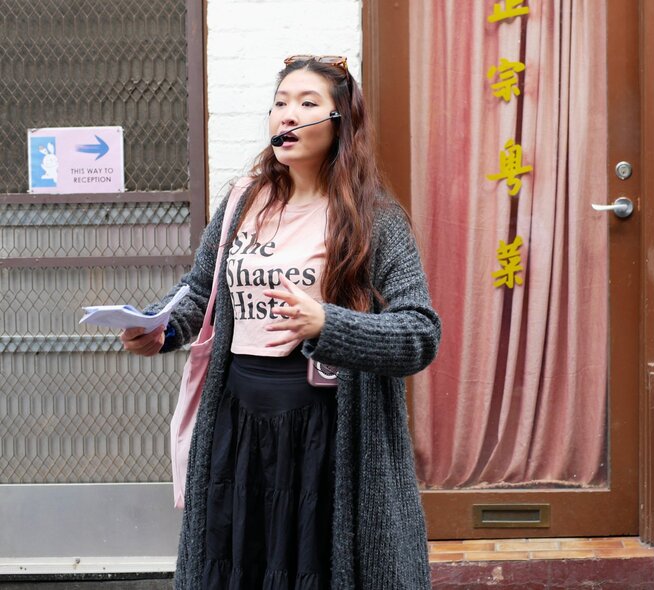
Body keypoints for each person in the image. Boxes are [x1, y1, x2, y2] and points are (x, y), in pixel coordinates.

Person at [119, 55, 441, 590]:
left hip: (326, 436)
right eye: (280, 103)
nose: (287, 115)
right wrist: (160, 328)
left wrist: (328, 324)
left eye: (307, 104)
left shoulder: (375, 219)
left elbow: (419, 334)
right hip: (238, 428)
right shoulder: (242, 202)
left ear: (340, 122)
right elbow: (201, 292)